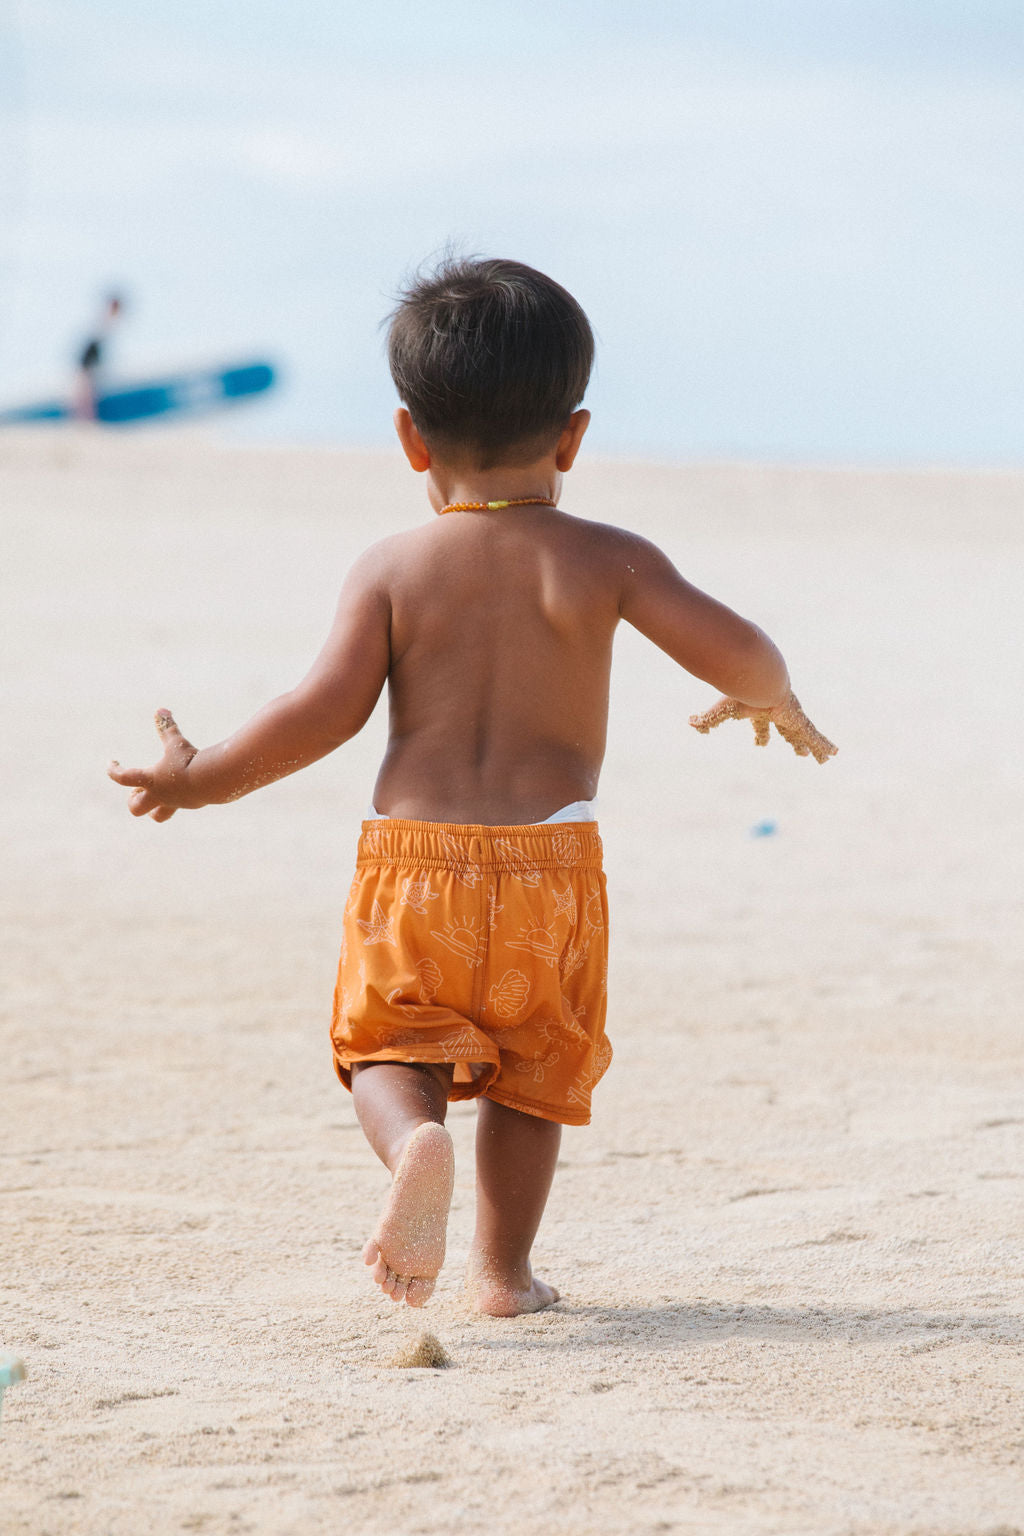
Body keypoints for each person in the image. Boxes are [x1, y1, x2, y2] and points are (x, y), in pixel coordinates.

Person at [108, 257, 836, 1317]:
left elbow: (320, 711)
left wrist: (203, 780)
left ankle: (414, 1143)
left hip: (415, 866)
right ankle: (503, 1275)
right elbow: (742, 653)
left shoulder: (393, 567)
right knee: (536, 1071)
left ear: (410, 440)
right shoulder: (606, 560)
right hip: (551, 864)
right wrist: (765, 696)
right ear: (573, 437)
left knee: (387, 1048)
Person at [75, 292, 123, 419]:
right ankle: (85, 420)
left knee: (87, 390)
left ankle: (86, 420)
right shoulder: (104, 319)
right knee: (86, 391)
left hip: (90, 355)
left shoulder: (105, 320)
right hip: (89, 355)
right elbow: (96, 338)